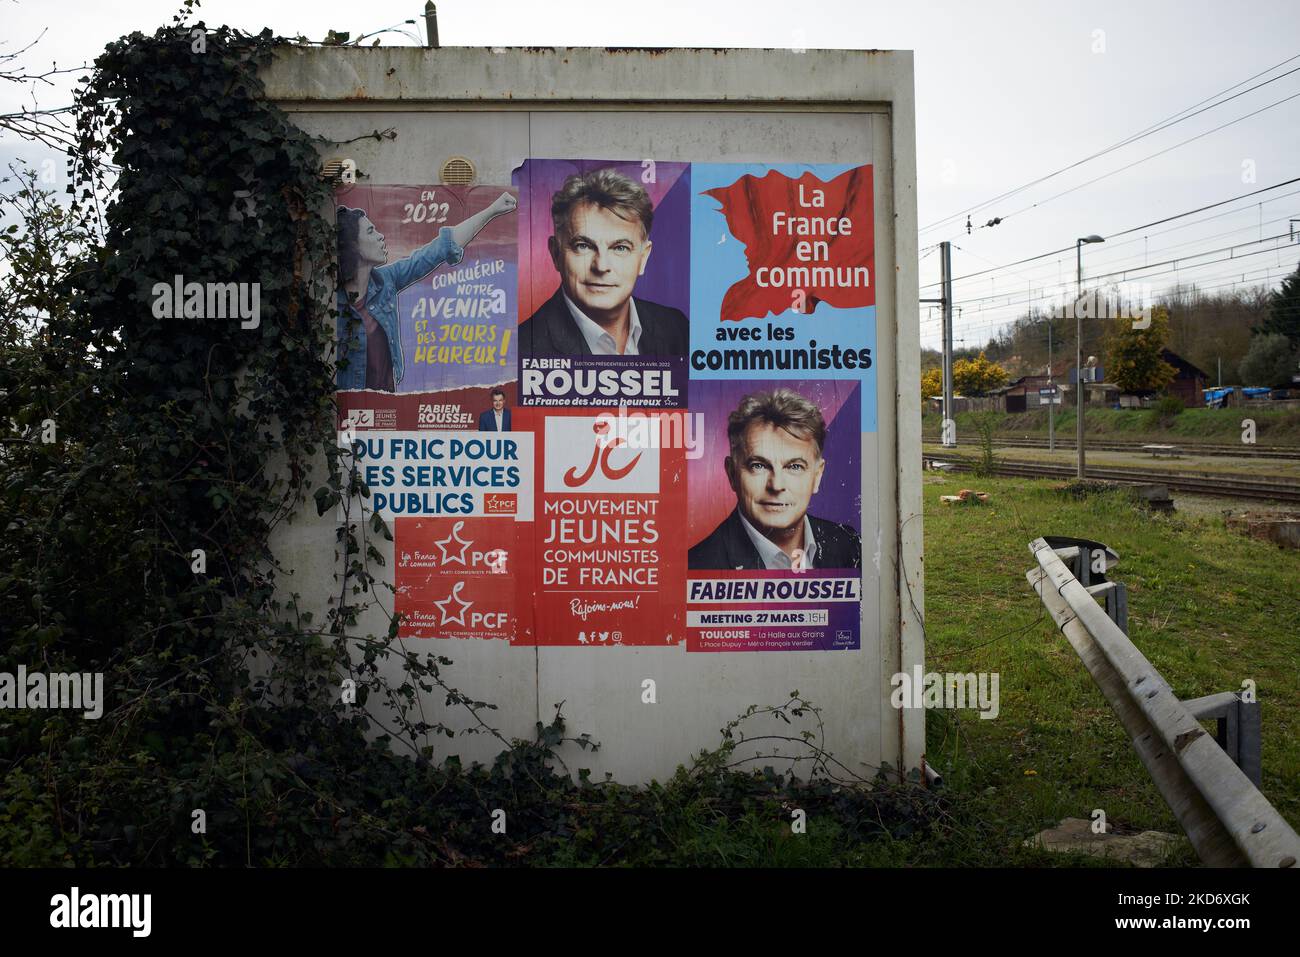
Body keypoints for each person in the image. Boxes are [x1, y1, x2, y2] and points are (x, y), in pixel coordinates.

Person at [336, 191, 517, 391]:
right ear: (353, 246)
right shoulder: (332, 303)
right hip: (348, 413)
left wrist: (491, 211)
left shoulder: (385, 281)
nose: (381, 237)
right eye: (371, 232)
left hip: (384, 408)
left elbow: (439, 250)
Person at [519, 168, 687, 357]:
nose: (601, 266)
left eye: (620, 248)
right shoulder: (523, 347)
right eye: (583, 246)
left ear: (643, 258)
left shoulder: (676, 328)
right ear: (555, 253)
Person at [688, 388, 860, 571]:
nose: (776, 485)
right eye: (759, 465)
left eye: (794, 467)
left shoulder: (850, 546)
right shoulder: (698, 565)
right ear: (732, 474)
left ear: (817, 476)